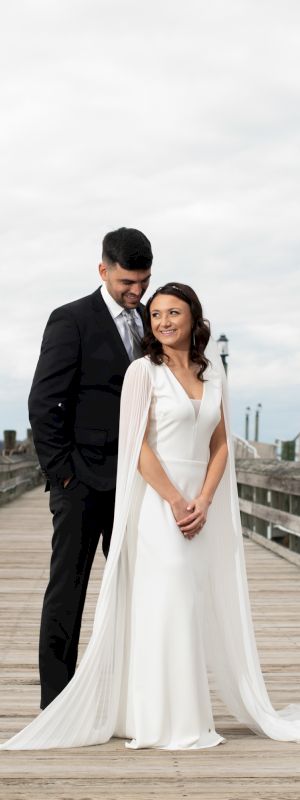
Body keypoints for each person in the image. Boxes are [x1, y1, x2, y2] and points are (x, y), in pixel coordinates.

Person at [1, 282, 300, 750]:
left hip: (198, 501)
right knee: (163, 600)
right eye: (155, 313)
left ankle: (173, 712)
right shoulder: (143, 371)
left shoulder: (212, 374)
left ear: (194, 319)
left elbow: (221, 444)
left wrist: (202, 499)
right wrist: (175, 500)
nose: (161, 321)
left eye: (172, 313)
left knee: (187, 603)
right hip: (157, 501)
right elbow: (135, 442)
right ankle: (153, 718)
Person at [27, 226, 153, 710]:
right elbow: (44, 402)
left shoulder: (152, 321)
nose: (136, 292)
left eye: (143, 281)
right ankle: (57, 702)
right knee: (68, 591)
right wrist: (62, 474)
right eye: (127, 282)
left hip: (138, 483)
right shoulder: (71, 319)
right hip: (80, 482)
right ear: (103, 270)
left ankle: (133, 695)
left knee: (142, 588)